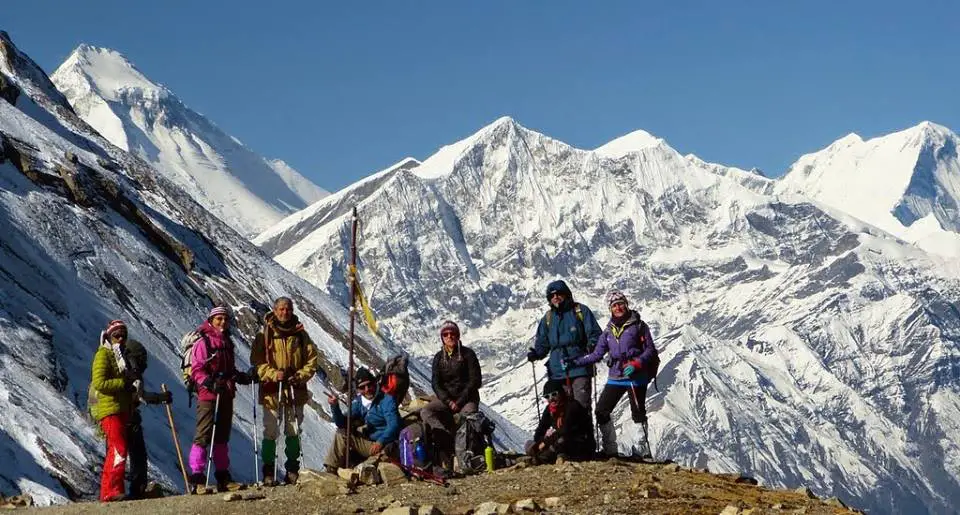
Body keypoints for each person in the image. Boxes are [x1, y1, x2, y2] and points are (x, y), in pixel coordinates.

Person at [564, 290, 658, 458]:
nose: (618, 307)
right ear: (610, 308)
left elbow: (650, 350)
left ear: (626, 304)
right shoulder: (608, 331)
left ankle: (642, 452)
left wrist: (636, 363)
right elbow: (596, 355)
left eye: (620, 303)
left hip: (635, 377)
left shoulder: (639, 326)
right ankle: (611, 450)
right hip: (615, 376)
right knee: (601, 410)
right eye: (614, 305)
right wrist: (575, 362)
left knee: (638, 412)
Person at [251, 297, 319, 485]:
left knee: (293, 430)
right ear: (274, 310)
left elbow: (312, 360)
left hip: (294, 389)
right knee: (271, 431)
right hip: (271, 390)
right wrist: (273, 374)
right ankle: (268, 471)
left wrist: (299, 376)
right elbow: (256, 362)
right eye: (281, 309)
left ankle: (292, 469)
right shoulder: (264, 334)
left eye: (287, 309)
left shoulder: (300, 334)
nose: (284, 312)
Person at [187, 306, 253, 493]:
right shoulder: (203, 342)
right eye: (219, 319)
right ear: (211, 320)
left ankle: (223, 477)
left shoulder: (226, 342)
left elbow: (229, 369)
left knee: (222, 436)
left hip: (225, 392)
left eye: (225, 319)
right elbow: (197, 370)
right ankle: (197, 479)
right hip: (208, 395)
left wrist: (241, 377)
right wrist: (209, 382)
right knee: (203, 435)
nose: (223, 322)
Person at [527, 280, 602, 411]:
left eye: (559, 294)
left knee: (581, 408)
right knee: (562, 410)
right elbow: (543, 343)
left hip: (579, 366)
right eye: (552, 296)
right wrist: (537, 353)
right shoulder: (548, 318)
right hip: (557, 371)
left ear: (566, 294)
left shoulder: (580, 311)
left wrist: (592, 346)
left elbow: (595, 334)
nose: (555, 298)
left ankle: (585, 431)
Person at [420, 320, 482, 471]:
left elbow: (475, 381)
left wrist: (459, 402)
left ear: (458, 335)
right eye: (446, 334)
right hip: (447, 399)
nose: (449, 337)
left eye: (452, 334)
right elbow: (436, 383)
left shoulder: (468, 354)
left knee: (468, 417)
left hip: (467, 398)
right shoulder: (438, 358)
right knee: (426, 411)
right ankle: (445, 438)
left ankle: (464, 458)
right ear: (442, 338)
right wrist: (448, 401)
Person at [88, 320, 137, 502]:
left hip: (121, 408)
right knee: (119, 449)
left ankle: (111, 492)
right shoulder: (103, 355)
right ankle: (112, 491)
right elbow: (99, 383)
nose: (121, 339)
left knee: (115, 451)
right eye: (117, 335)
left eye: (124, 336)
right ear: (109, 336)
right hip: (109, 409)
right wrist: (123, 383)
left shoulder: (120, 356)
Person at [122, 332, 173, 500]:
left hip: (118, 416)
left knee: (121, 454)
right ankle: (137, 490)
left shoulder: (120, 369)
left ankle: (115, 490)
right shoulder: (131, 373)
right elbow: (140, 395)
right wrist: (161, 398)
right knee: (137, 455)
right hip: (128, 417)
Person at [323, 367, 401, 471]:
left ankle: (332, 470)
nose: (367, 389)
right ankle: (332, 468)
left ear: (375, 383)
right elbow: (342, 423)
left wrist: (380, 441)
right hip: (370, 441)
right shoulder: (359, 402)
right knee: (342, 432)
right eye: (362, 387)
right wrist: (335, 406)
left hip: (385, 444)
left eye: (369, 385)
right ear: (358, 389)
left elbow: (394, 424)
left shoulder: (386, 400)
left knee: (344, 435)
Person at [526, 380, 595, 463]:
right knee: (530, 444)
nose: (551, 399)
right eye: (547, 396)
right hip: (561, 440)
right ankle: (551, 456)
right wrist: (538, 443)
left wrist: (545, 442)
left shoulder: (572, 406)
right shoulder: (550, 409)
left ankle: (542, 458)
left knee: (561, 441)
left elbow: (565, 430)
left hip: (581, 443)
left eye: (554, 394)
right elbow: (540, 430)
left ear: (561, 393)